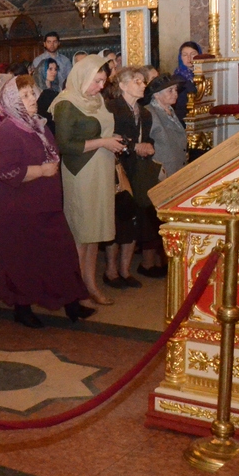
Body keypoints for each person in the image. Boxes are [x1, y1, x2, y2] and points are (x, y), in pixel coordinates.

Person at [0, 76, 95, 327]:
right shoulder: (7, 131)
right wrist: (41, 170)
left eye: (32, 93)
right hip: (19, 207)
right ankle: (22, 308)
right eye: (25, 95)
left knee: (61, 252)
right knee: (24, 257)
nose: (33, 99)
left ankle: (71, 302)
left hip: (46, 202)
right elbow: (5, 171)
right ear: (13, 101)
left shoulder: (38, 125)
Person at [52, 55, 124, 306]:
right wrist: (104, 142)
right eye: (97, 81)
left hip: (100, 168)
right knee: (81, 233)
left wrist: (110, 138)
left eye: (103, 81)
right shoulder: (66, 103)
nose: (100, 87)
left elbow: (101, 129)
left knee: (94, 232)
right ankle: (76, 289)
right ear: (82, 77)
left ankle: (90, 283)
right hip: (80, 172)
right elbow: (64, 145)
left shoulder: (97, 100)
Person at [104, 67, 155, 289]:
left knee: (133, 219)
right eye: (137, 81)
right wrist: (135, 147)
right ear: (123, 85)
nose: (143, 85)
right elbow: (109, 137)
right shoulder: (111, 108)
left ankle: (125, 270)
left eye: (143, 82)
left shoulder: (145, 113)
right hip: (117, 170)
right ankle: (111, 271)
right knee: (118, 219)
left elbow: (148, 137)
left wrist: (148, 145)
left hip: (137, 170)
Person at [141, 74, 187, 278]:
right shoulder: (150, 112)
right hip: (161, 173)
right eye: (170, 90)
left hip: (176, 170)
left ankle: (166, 261)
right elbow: (146, 143)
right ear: (157, 95)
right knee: (156, 220)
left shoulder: (169, 111)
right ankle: (149, 263)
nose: (175, 93)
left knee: (169, 218)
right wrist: (158, 170)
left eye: (176, 90)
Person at [172, 41, 202, 122]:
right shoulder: (177, 78)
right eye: (185, 55)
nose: (189, 58)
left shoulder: (207, 74)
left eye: (193, 54)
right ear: (180, 57)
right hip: (184, 117)